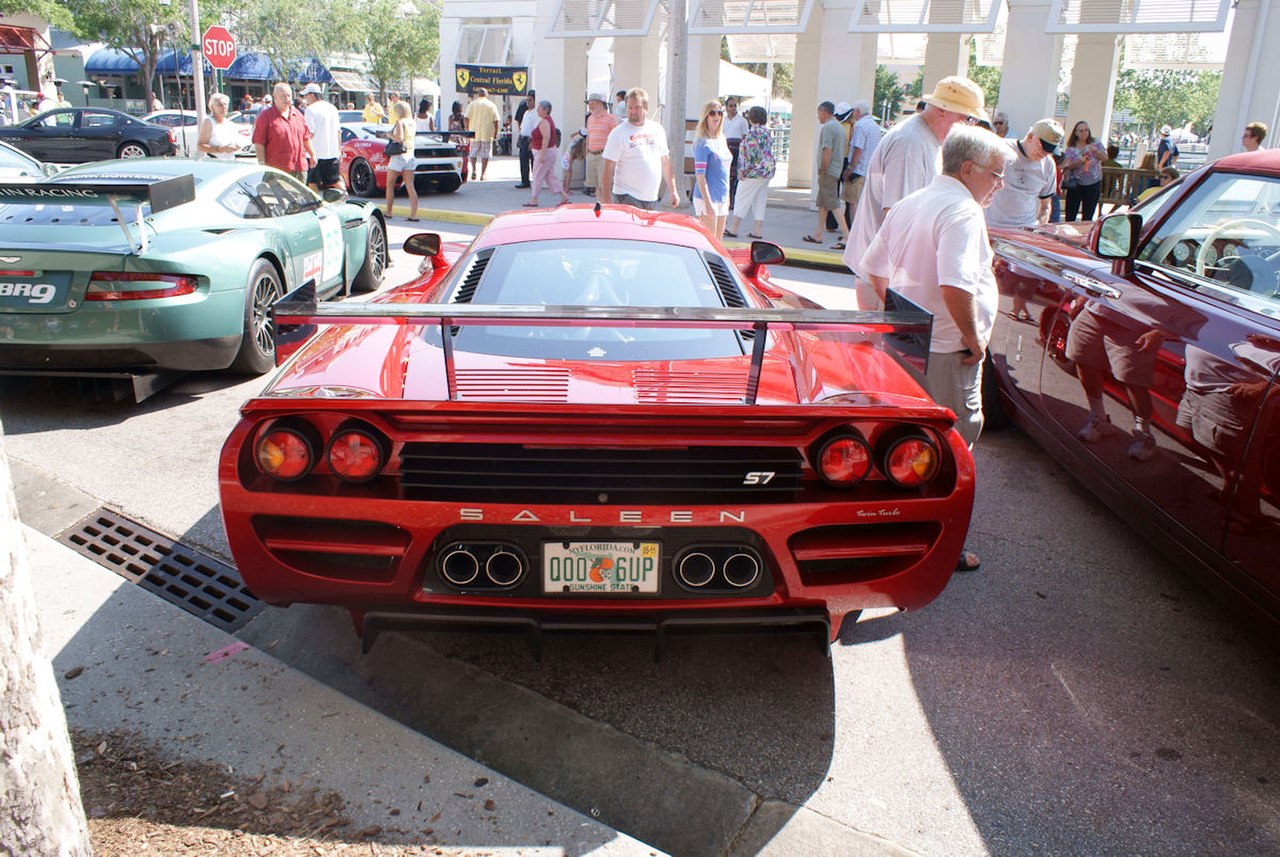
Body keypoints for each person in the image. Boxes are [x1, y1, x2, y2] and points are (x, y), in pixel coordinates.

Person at [859, 125, 1013, 572]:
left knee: (905, 444)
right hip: (947, 349)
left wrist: (902, 314)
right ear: (969, 169)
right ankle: (937, 548)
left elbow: (874, 268)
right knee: (951, 450)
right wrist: (973, 339)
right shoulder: (962, 211)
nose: (999, 185)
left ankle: (892, 533)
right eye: (995, 175)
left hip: (912, 343)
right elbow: (955, 285)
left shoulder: (914, 202)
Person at [843, 75, 988, 310]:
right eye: (967, 117)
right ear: (943, 110)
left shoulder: (925, 139)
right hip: (887, 280)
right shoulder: (910, 143)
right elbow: (898, 220)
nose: (969, 126)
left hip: (892, 278)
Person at [600, 87, 680, 211]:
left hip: (651, 197)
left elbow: (665, 163)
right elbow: (607, 168)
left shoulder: (657, 129)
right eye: (630, 107)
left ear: (646, 108)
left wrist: (673, 190)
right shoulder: (618, 133)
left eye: (637, 107)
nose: (633, 111)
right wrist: (606, 199)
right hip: (626, 195)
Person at [984, 118, 1062, 230]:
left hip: (1025, 231)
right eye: (1042, 148)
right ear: (1030, 137)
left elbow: (1045, 205)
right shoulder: (1001, 150)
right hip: (992, 228)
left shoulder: (1048, 165)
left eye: (1050, 150)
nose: (1044, 154)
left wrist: (1039, 226)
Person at [802, 101, 848, 248]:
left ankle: (847, 236)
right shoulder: (839, 127)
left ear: (824, 112)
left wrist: (823, 169)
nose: (818, 117)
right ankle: (818, 233)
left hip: (828, 171)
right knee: (823, 204)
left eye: (818, 114)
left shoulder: (828, 127)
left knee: (833, 204)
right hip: (835, 170)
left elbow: (826, 150)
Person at [725, 105, 775, 240]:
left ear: (751, 118)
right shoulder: (767, 132)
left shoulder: (751, 134)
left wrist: (742, 171)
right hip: (767, 170)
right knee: (759, 199)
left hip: (754, 172)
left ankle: (734, 228)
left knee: (741, 196)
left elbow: (750, 156)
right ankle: (757, 230)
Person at [252, 82, 314, 181]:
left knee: (299, 196)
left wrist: (312, 154)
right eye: (283, 96)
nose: (286, 99)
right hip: (277, 170)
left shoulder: (298, 115)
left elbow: (306, 137)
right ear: (275, 97)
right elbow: (259, 142)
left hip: (299, 167)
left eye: (288, 95)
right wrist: (262, 163)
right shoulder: (266, 116)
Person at [690, 99, 732, 238]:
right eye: (712, 113)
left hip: (722, 196)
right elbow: (700, 176)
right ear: (705, 117)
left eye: (719, 113)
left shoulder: (722, 139)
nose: (716, 116)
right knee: (709, 243)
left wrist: (727, 198)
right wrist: (708, 203)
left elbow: (725, 171)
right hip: (707, 198)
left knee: (718, 242)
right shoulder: (702, 143)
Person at [840, 100, 881, 228]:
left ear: (857, 112)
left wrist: (849, 169)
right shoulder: (874, 126)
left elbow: (858, 150)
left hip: (858, 171)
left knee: (853, 204)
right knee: (864, 204)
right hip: (870, 170)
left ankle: (853, 233)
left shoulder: (860, 126)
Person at [524, 100, 570, 208]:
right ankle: (564, 196)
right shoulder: (546, 121)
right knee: (549, 176)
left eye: (539, 108)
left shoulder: (545, 122)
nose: (537, 110)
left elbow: (546, 138)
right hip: (546, 151)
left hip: (544, 152)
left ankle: (534, 198)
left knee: (538, 175)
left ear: (545, 110)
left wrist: (543, 154)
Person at [1061, 120, 1108, 221]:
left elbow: (1105, 158)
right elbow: (1068, 165)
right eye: (1081, 131)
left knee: (1088, 215)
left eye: (1086, 130)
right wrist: (1079, 161)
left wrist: (1096, 152)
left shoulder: (1096, 142)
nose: (1084, 133)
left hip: (1093, 183)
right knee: (1070, 214)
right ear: (1076, 133)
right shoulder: (1071, 148)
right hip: (1076, 184)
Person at [300, 83, 342, 191]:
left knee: (312, 182)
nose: (305, 98)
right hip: (332, 153)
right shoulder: (332, 108)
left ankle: (317, 205)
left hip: (315, 154)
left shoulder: (310, 110)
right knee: (335, 181)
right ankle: (345, 198)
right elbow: (338, 131)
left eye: (306, 95)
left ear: (312, 95)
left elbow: (309, 133)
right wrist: (338, 150)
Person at [384, 100, 418, 220]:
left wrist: (389, 135)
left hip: (399, 156)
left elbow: (399, 138)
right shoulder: (412, 122)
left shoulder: (400, 122)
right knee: (410, 185)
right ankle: (413, 214)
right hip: (410, 154)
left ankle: (389, 211)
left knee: (390, 184)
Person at [582, 92, 619, 197]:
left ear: (599, 103)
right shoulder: (590, 119)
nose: (590, 106)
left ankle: (608, 208)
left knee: (605, 185)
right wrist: (587, 153)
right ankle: (600, 206)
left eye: (592, 103)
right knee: (596, 186)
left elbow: (615, 138)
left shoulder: (610, 119)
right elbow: (589, 136)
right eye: (589, 103)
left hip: (604, 156)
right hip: (591, 155)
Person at [464, 87, 500, 181]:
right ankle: (483, 174)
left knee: (473, 153)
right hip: (487, 133)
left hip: (474, 132)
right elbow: (496, 121)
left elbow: (466, 117)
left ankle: (474, 170)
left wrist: (467, 129)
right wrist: (496, 132)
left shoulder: (472, 104)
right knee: (485, 154)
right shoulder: (491, 105)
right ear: (486, 95)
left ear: (478, 95)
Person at [197, 92, 240, 160]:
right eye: (220, 105)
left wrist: (236, 146)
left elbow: (237, 142)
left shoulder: (229, 123)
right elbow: (200, 145)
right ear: (212, 107)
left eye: (225, 104)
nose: (224, 107)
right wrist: (220, 149)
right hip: (215, 161)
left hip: (231, 160)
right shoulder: (209, 122)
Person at [722, 97, 748, 208]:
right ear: (726, 107)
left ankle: (734, 200)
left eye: (734, 106)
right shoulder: (722, 120)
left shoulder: (742, 120)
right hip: (725, 149)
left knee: (736, 177)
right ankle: (726, 200)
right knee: (726, 175)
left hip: (737, 150)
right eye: (731, 106)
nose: (733, 108)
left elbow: (745, 137)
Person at [514, 91, 537, 189]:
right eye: (527, 100)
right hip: (523, 139)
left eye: (530, 100)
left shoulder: (536, 113)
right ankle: (525, 181)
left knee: (534, 162)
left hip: (531, 140)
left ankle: (536, 181)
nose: (528, 102)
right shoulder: (526, 112)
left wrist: (532, 141)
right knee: (523, 161)